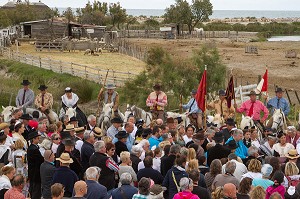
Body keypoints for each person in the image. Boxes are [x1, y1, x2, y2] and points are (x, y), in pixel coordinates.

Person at [27, 130, 43, 199]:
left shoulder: (31, 148)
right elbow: (40, 160)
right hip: (36, 173)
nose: (39, 139)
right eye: (37, 138)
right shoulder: (34, 149)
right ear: (33, 139)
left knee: (33, 188)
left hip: (32, 172)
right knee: (36, 190)